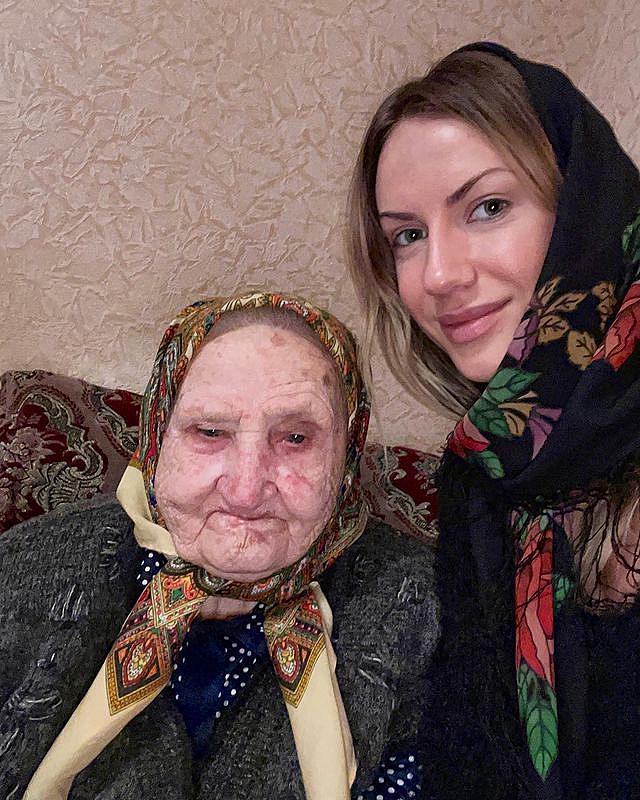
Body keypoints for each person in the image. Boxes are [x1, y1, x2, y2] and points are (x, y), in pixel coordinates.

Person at [0, 292, 438, 800]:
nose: (246, 490)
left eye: (296, 439)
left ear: (345, 458)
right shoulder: (25, 566)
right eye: (210, 431)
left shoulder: (422, 602)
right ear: (157, 440)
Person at [347, 42, 640, 799]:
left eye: (487, 208)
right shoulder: (482, 473)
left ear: (584, 209)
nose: (439, 274)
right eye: (407, 235)